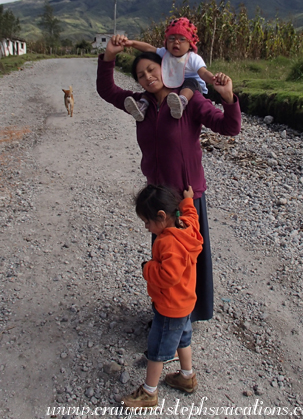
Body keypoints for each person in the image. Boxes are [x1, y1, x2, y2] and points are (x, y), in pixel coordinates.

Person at [96, 36, 241, 322]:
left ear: (167, 68)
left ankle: (189, 315)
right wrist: (109, 56)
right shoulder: (140, 105)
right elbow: (107, 90)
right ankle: (165, 313)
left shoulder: (191, 101)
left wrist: (228, 98)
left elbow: (230, 127)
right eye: (140, 75)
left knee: (189, 258)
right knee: (164, 258)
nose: (147, 77)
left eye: (152, 70)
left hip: (186, 197)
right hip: (158, 197)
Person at [120, 184, 203, 408]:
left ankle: (149, 392)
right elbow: (192, 216)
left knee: (157, 350)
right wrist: (187, 201)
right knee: (183, 340)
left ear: (162, 215)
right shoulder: (186, 227)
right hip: (185, 303)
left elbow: (168, 276)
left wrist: (148, 268)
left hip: (169, 307)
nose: (147, 227)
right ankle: (187, 377)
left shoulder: (168, 242)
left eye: (147, 222)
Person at [122, 17, 216, 120]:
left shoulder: (193, 58)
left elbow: (203, 73)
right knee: (153, 86)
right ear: (166, 42)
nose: (176, 42)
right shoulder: (165, 54)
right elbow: (149, 48)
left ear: (190, 45)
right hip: (174, 84)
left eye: (182, 39)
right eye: (171, 38)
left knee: (191, 82)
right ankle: (142, 106)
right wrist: (132, 44)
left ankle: (181, 102)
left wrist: (214, 80)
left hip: (193, 88)